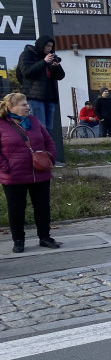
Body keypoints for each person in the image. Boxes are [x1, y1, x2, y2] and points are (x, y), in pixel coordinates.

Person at [0, 92, 60, 253]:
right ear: (11, 107)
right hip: (14, 175)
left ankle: (45, 237)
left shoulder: (33, 121)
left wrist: (50, 158)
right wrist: (5, 168)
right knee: (16, 209)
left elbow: (48, 141)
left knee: (42, 207)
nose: (28, 107)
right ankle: (18, 240)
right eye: (23, 104)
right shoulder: (1, 124)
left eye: (27, 104)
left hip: (39, 172)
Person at [16, 35, 65, 136]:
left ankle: (46, 151)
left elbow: (60, 76)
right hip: (34, 97)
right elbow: (26, 72)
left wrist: (56, 67)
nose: (49, 48)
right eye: (47, 46)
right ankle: (38, 150)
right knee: (39, 127)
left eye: (51, 46)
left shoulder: (50, 57)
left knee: (48, 129)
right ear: (41, 44)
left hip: (50, 97)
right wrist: (44, 62)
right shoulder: (27, 54)